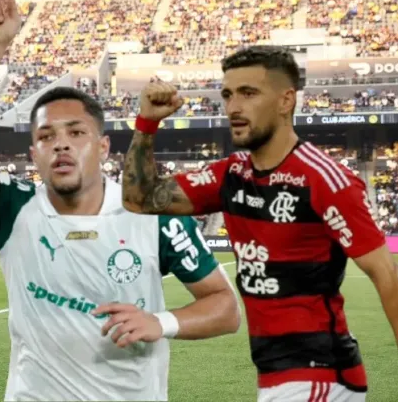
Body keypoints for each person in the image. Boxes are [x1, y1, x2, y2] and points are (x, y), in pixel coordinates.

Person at [0, 0, 240, 401]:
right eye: (46, 137)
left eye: (76, 133)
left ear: (104, 147)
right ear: (33, 153)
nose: (61, 145)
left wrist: (161, 322)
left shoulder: (153, 215)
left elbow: (225, 308)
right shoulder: (12, 209)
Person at [121, 45, 398, 402]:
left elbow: (387, 275)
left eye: (248, 93)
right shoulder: (230, 175)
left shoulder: (325, 180)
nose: (233, 107)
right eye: (227, 95)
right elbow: (139, 199)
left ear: (286, 101)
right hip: (278, 375)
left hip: (320, 374)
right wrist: (147, 124)